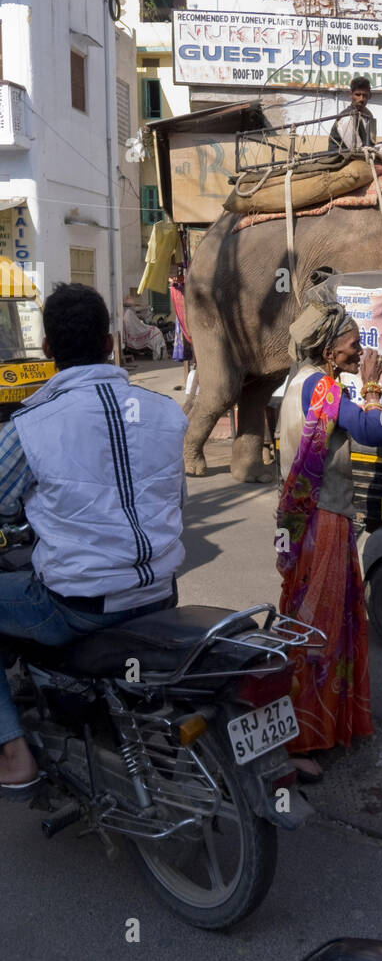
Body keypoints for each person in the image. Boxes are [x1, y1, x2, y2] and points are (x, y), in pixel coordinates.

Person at [0, 283, 186, 798]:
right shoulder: (166, 412)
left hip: (80, 606)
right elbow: (174, 502)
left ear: (47, 352)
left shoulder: (29, 426)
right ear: (110, 344)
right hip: (161, 593)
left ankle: (12, 753)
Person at [268, 303, 382, 782]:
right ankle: (301, 735)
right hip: (324, 519)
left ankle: (318, 725)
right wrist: (374, 382)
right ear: (327, 347)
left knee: (312, 618)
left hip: (303, 517)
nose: (360, 349)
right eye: (353, 342)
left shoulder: (298, 381)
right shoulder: (321, 386)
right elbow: (372, 431)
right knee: (318, 626)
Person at [328, 76, 377, 152]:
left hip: (359, 154)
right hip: (339, 158)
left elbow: (372, 142)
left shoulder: (368, 114)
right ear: (351, 95)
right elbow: (358, 149)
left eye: (365, 95)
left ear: (370, 96)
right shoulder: (346, 118)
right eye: (357, 95)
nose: (361, 99)